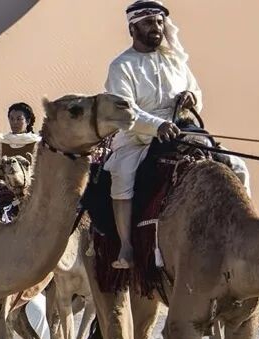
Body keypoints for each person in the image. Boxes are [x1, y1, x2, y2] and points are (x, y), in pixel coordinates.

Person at [103, 0, 202, 269]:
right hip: (137, 137)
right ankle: (126, 246)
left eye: (159, 22)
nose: (156, 27)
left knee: (234, 166)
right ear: (132, 29)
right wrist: (157, 125)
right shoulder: (121, 66)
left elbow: (196, 91)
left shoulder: (175, 61)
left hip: (182, 130)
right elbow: (125, 111)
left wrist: (192, 97)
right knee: (122, 174)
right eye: (148, 23)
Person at [0, 102, 40, 182]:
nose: (14, 122)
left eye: (19, 119)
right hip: (5, 186)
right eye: (11, 119)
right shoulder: (4, 143)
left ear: (28, 121)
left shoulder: (36, 144)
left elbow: (42, 171)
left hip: (31, 187)